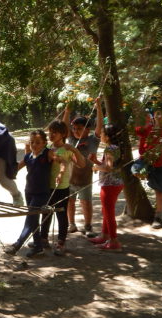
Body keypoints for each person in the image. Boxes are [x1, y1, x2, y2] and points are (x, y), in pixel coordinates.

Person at [35, 120, 85, 257]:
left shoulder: (67, 150)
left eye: (54, 133)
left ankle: (61, 243)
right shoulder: (49, 147)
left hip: (62, 188)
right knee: (46, 213)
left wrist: (74, 149)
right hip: (47, 186)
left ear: (62, 134)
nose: (51, 135)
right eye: (50, 132)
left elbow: (81, 164)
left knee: (61, 216)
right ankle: (43, 239)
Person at [4, 130, 54, 256]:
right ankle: (37, 246)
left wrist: (62, 170)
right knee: (33, 219)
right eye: (32, 142)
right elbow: (15, 170)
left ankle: (17, 245)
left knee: (30, 218)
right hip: (29, 192)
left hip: (42, 193)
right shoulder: (28, 157)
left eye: (38, 142)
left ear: (44, 143)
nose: (34, 145)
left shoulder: (48, 154)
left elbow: (61, 160)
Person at [62, 98, 103, 237]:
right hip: (70, 179)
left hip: (85, 179)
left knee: (86, 203)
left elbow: (99, 127)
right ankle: (71, 224)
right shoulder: (72, 140)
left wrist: (98, 107)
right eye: (74, 128)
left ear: (87, 129)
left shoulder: (92, 140)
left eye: (79, 128)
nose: (75, 131)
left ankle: (88, 226)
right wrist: (67, 112)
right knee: (70, 202)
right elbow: (64, 127)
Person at [132, 110, 162, 229]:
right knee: (135, 170)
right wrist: (146, 123)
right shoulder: (148, 127)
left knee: (160, 190)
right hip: (144, 161)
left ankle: (158, 216)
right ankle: (144, 175)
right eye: (158, 113)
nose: (160, 116)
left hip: (161, 163)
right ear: (154, 115)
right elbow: (137, 131)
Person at [88, 124, 124, 251]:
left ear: (107, 137)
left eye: (102, 133)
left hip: (110, 185)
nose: (100, 135)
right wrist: (96, 162)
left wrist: (96, 167)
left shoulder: (109, 149)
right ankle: (104, 236)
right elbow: (110, 165)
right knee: (106, 211)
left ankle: (114, 241)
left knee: (109, 213)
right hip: (117, 183)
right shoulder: (115, 147)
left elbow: (108, 167)